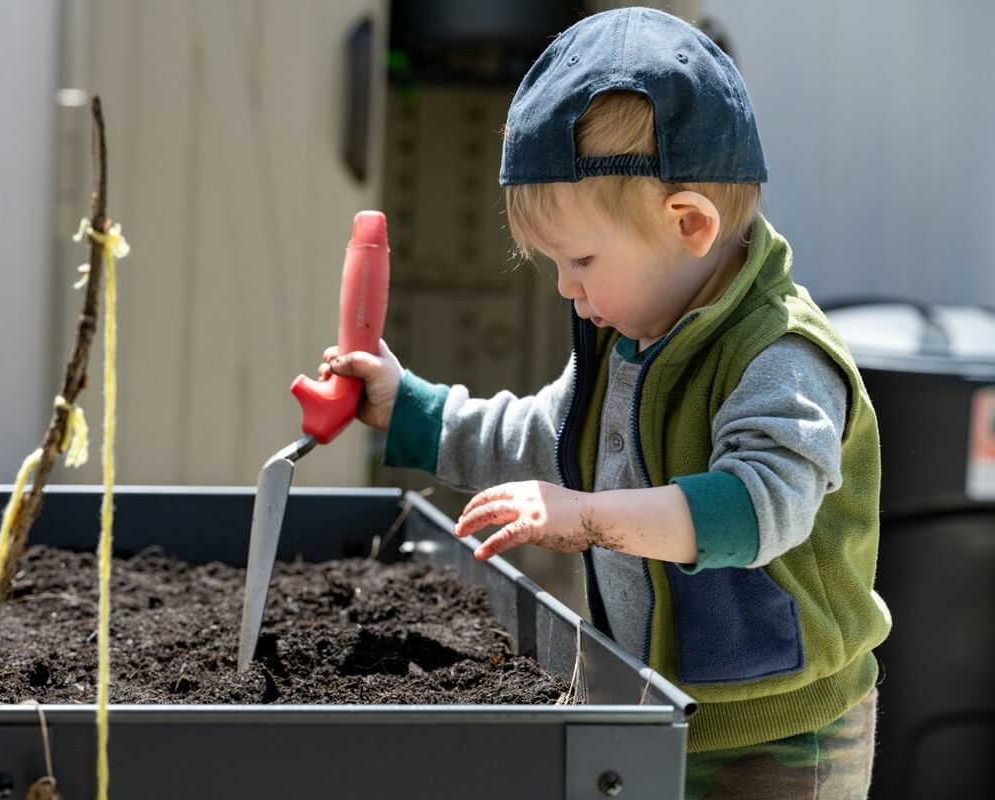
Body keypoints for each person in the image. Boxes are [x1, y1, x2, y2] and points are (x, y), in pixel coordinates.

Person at [319, 7, 890, 799]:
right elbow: (546, 443)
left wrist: (587, 515)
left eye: (582, 258)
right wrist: (409, 409)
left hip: (779, 737)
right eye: (553, 262)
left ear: (689, 225)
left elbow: (756, 510)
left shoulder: (781, 356)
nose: (565, 287)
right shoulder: (629, 341)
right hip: (646, 703)